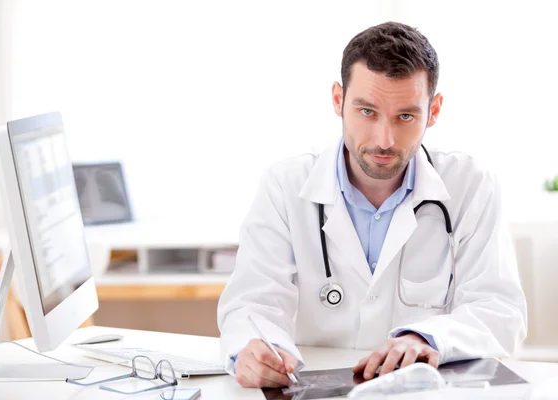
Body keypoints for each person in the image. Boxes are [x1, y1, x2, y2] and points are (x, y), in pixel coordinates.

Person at [217, 21, 527, 389]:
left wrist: (425, 339)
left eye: (406, 117)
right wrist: (252, 350)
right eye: (367, 112)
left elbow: (499, 311)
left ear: (435, 109)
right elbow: (252, 304)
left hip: (421, 389)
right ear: (338, 100)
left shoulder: (471, 186)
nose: (384, 140)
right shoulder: (285, 186)